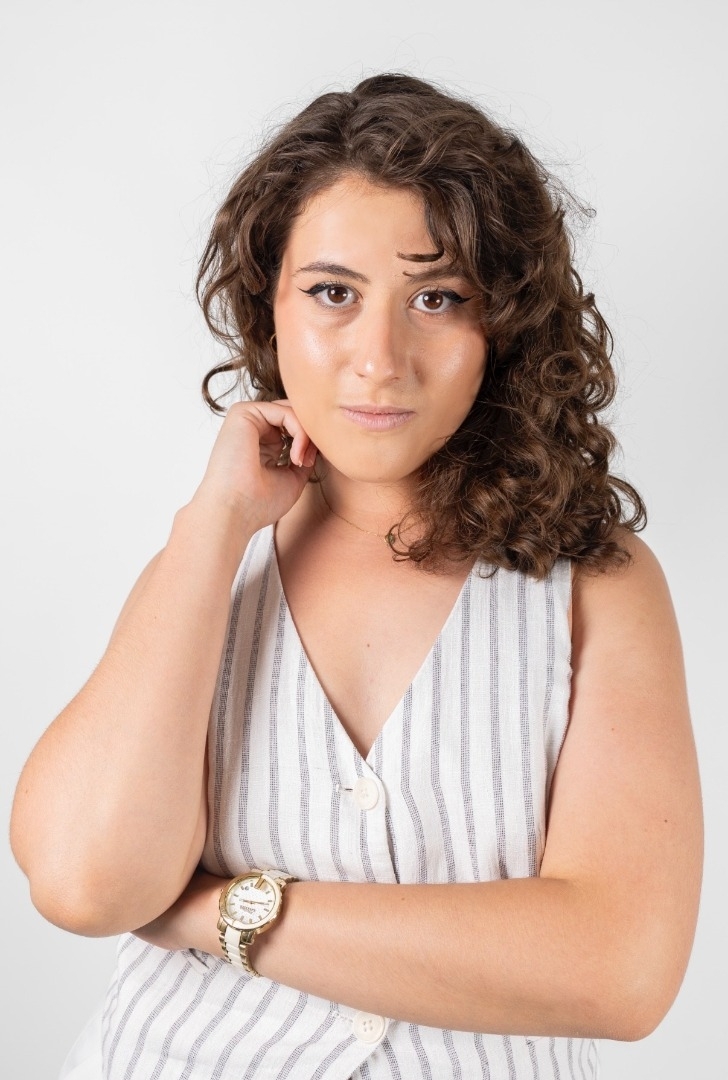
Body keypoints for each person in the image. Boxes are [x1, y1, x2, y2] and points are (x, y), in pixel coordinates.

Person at [10, 73, 702, 1080]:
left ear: (503, 324)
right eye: (333, 293)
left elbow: (617, 971)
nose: (379, 359)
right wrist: (213, 525)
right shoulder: (208, 563)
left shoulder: (596, 585)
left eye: (436, 298)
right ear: (270, 307)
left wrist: (213, 912)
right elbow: (83, 882)